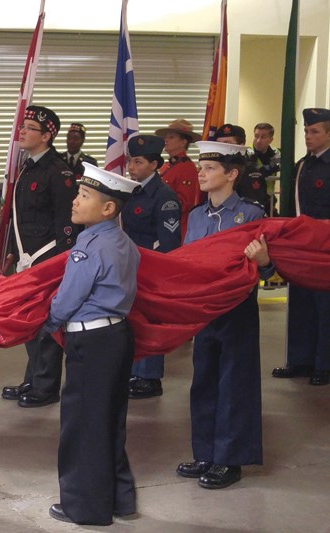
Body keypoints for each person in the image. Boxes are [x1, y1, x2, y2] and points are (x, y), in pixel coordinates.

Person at [42, 162, 140, 526]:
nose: (74, 201)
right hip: (116, 336)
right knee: (110, 421)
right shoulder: (124, 242)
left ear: (108, 208)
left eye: (84, 196)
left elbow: (68, 298)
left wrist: (46, 322)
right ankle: (119, 499)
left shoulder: (90, 245)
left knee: (83, 425)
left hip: (91, 339)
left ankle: (85, 507)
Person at [176, 141, 268, 490]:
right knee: (203, 382)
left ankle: (229, 458)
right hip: (204, 309)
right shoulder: (197, 216)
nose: (201, 172)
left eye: (210, 168)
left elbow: (266, 265)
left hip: (236, 310)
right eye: (201, 166)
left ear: (232, 174)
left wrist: (262, 262)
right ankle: (205, 452)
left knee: (234, 383)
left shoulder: (251, 214)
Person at [1, 105, 82, 408]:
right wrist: (10, 250)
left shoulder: (58, 172)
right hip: (25, 257)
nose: (21, 132)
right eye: (22, 126)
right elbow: (17, 217)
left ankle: (46, 386)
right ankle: (33, 377)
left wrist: (61, 262)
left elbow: (68, 221)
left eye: (30, 128)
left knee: (47, 323)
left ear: (48, 135)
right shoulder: (27, 167)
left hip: (48, 258)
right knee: (30, 321)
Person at [121, 135, 182, 399]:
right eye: (129, 160)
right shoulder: (131, 190)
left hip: (150, 269)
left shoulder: (164, 196)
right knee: (132, 321)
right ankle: (134, 372)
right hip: (128, 266)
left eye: (138, 162)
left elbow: (169, 243)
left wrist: (154, 272)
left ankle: (149, 377)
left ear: (154, 164)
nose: (131, 167)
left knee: (149, 322)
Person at [273, 107, 330, 386]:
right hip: (303, 247)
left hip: (327, 248)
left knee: (325, 307)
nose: (308, 136)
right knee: (300, 304)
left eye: (314, 131)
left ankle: (324, 364)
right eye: (306, 131)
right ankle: (299, 360)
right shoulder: (302, 166)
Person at [155, 118, 202, 240]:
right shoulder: (167, 165)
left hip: (175, 227)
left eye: (171, 137)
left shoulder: (187, 167)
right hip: (161, 224)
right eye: (166, 137)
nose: (166, 140)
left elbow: (185, 203)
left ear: (183, 142)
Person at [216, 123, 270, 208]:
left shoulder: (250, 172)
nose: (222, 148)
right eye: (218, 144)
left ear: (241, 146)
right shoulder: (213, 170)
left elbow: (252, 208)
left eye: (227, 143)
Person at [247, 122, 281, 214]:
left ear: (270, 139)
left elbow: (270, 169)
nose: (258, 140)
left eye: (263, 137)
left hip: (269, 199)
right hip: (250, 198)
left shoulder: (276, 153)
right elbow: (263, 171)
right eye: (256, 136)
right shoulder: (247, 153)